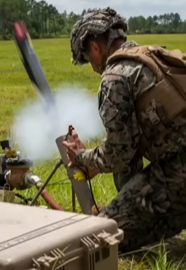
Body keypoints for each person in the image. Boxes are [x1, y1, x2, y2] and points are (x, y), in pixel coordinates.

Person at [63, 7, 186, 253]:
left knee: (99, 237)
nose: (92, 66)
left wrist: (82, 157)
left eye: (87, 58)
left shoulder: (115, 76)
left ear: (95, 48)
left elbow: (119, 154)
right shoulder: (153, 57)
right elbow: (129, 150)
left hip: (179, 174)